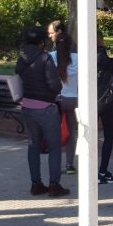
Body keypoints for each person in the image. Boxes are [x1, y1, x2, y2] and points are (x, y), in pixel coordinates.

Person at [15, 26, 69, 197]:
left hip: (27, 106)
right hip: (46, 107)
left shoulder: (21, 58)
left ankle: (36, 184)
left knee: (33, 145)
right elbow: (55, 85)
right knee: (54, 147)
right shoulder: (45, 58)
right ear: (41, 41)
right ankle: (54, 185)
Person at [50, 28, 79, 175]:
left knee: (55, 133)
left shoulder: (51, 57)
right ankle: (70, 164)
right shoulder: (79, 59)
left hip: (56, 99)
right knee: (71, 132)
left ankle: (54, 164)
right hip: (74, 99)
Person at [95, 33, 113, 184]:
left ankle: (90, 169)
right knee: (108, 136)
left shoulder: (83, 56)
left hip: (90, 100)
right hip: (105, 100)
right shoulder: (106, 60)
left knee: (89, 136)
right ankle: (103, 170)